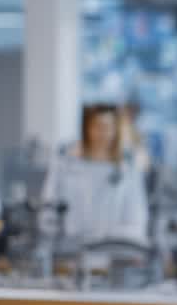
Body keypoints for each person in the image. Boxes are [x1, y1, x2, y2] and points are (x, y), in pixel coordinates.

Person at [40, 103, 149, 247]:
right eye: (97, 126)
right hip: (70, 251)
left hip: (114, 251)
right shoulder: (65, 165)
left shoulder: (127, 170)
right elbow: (48, 210)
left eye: (109, 127)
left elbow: (136, 220)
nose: (103, 133)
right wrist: (57, 239)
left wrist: (108, 239)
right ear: (86, 129)